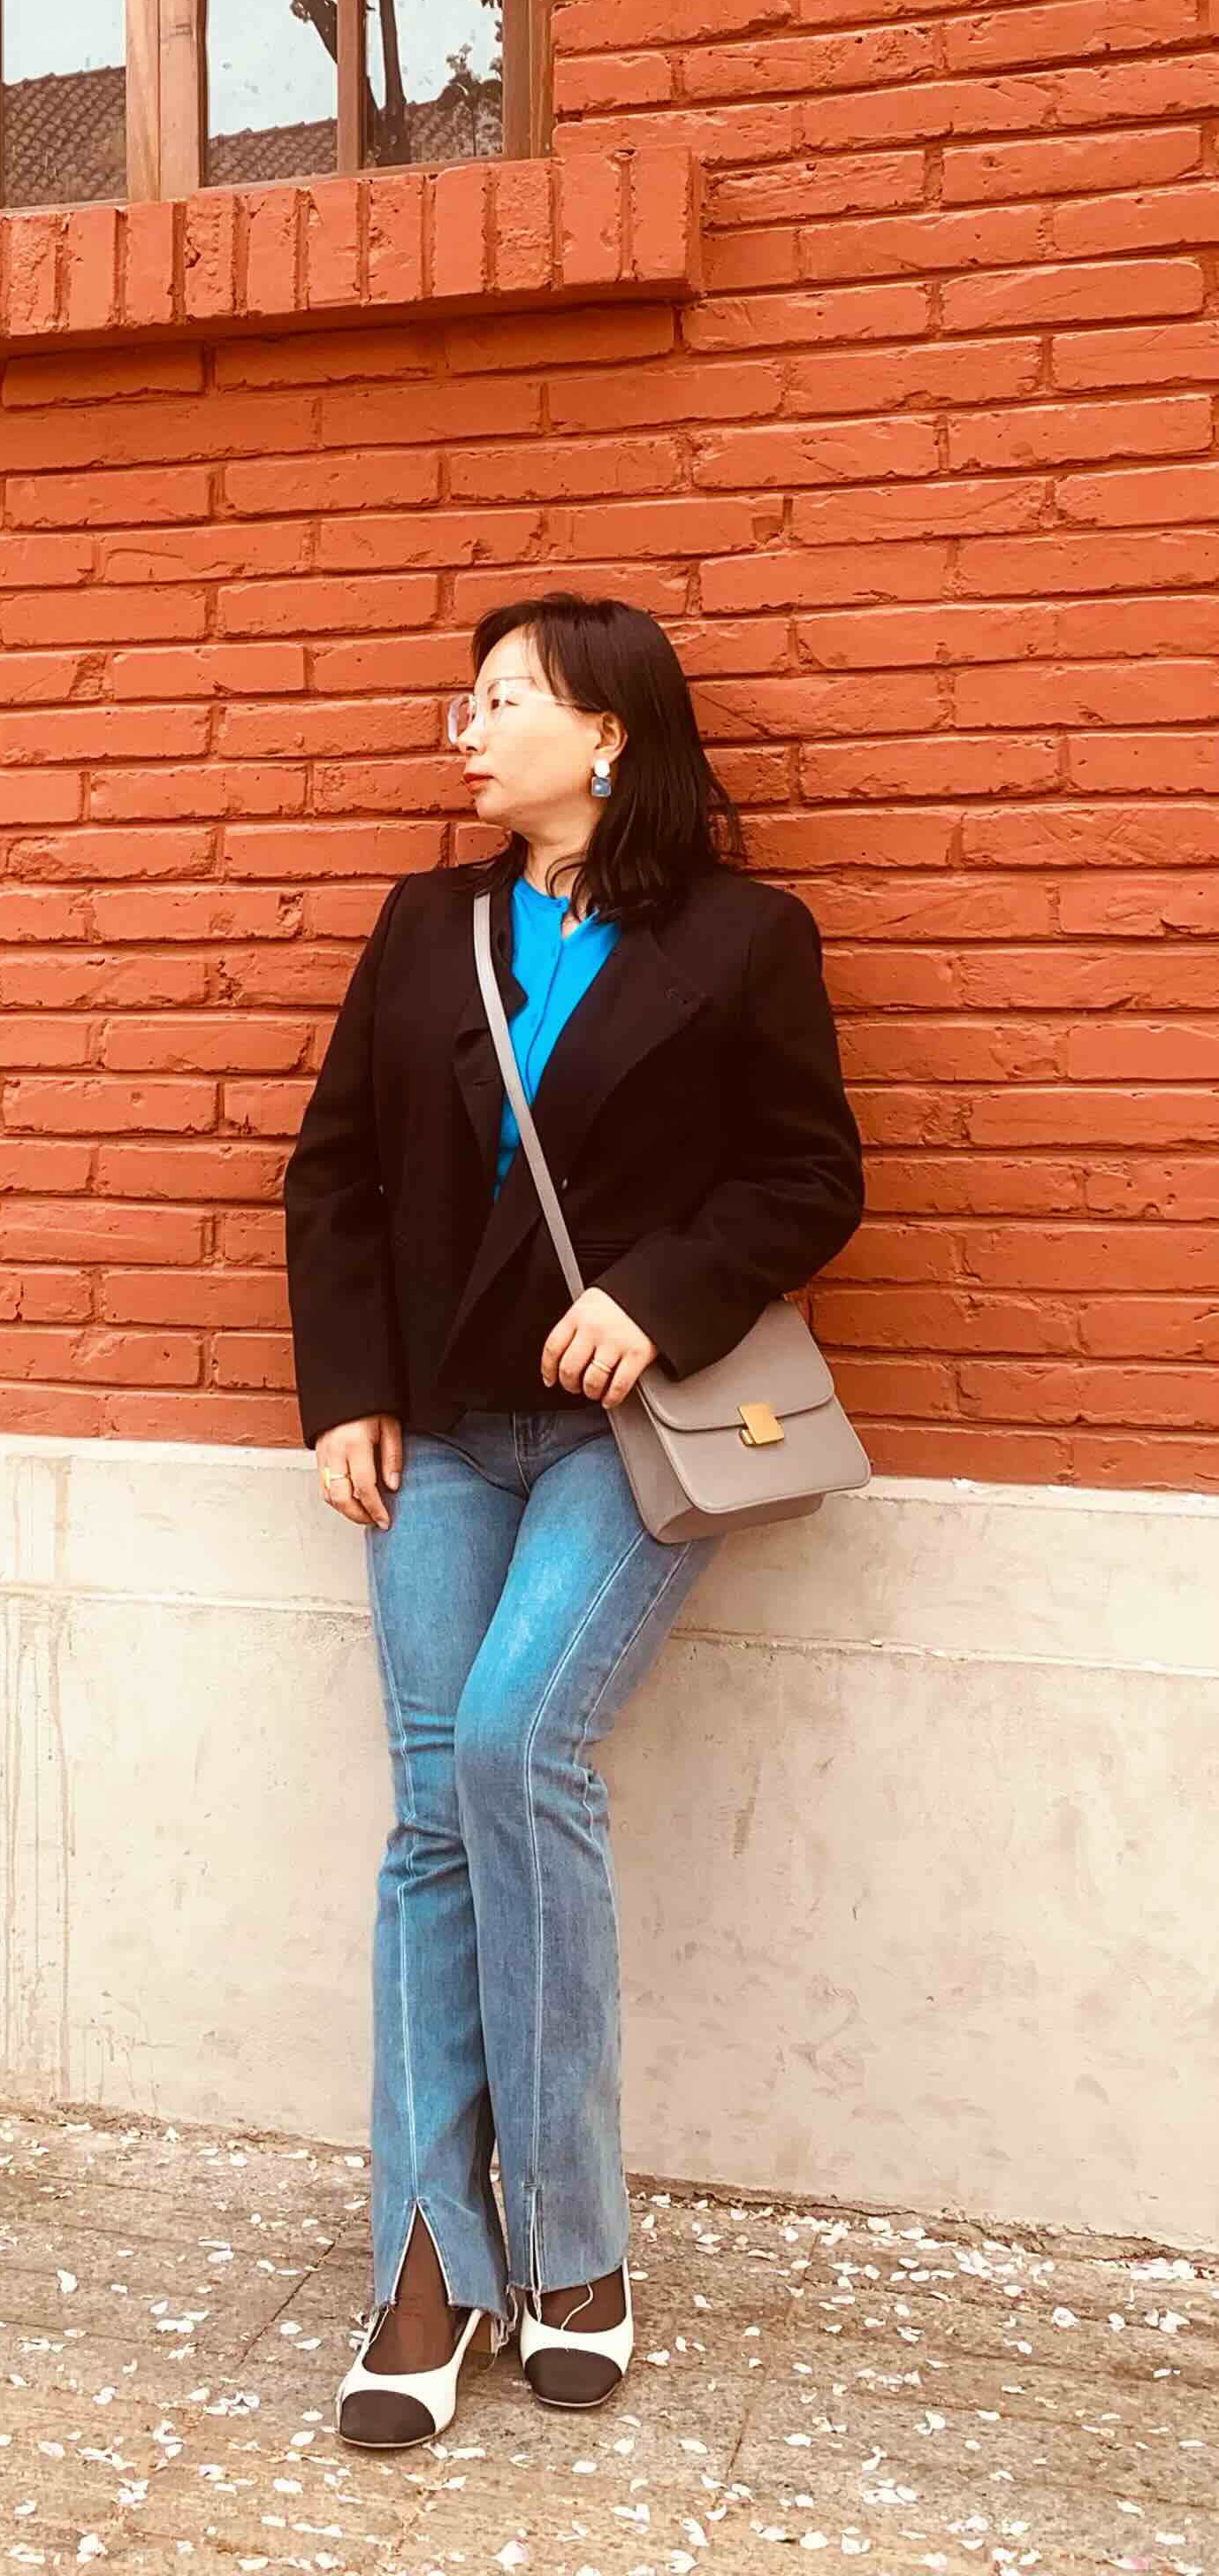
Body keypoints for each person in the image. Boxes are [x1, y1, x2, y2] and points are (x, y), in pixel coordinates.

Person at [281, 591, 865, 2452]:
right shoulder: (426, 924)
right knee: (432, 1807)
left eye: (501, 700)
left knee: (513, 1748)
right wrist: (347, 1389)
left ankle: (576, 2246)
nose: (464, 730)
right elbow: (335, 1172)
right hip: (439, 1431)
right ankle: (428, 2259)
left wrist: (658, 1293)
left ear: (608, 734)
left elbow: (810, 1176)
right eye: (465, 701)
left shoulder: (745, 938)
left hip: (634, 1435)